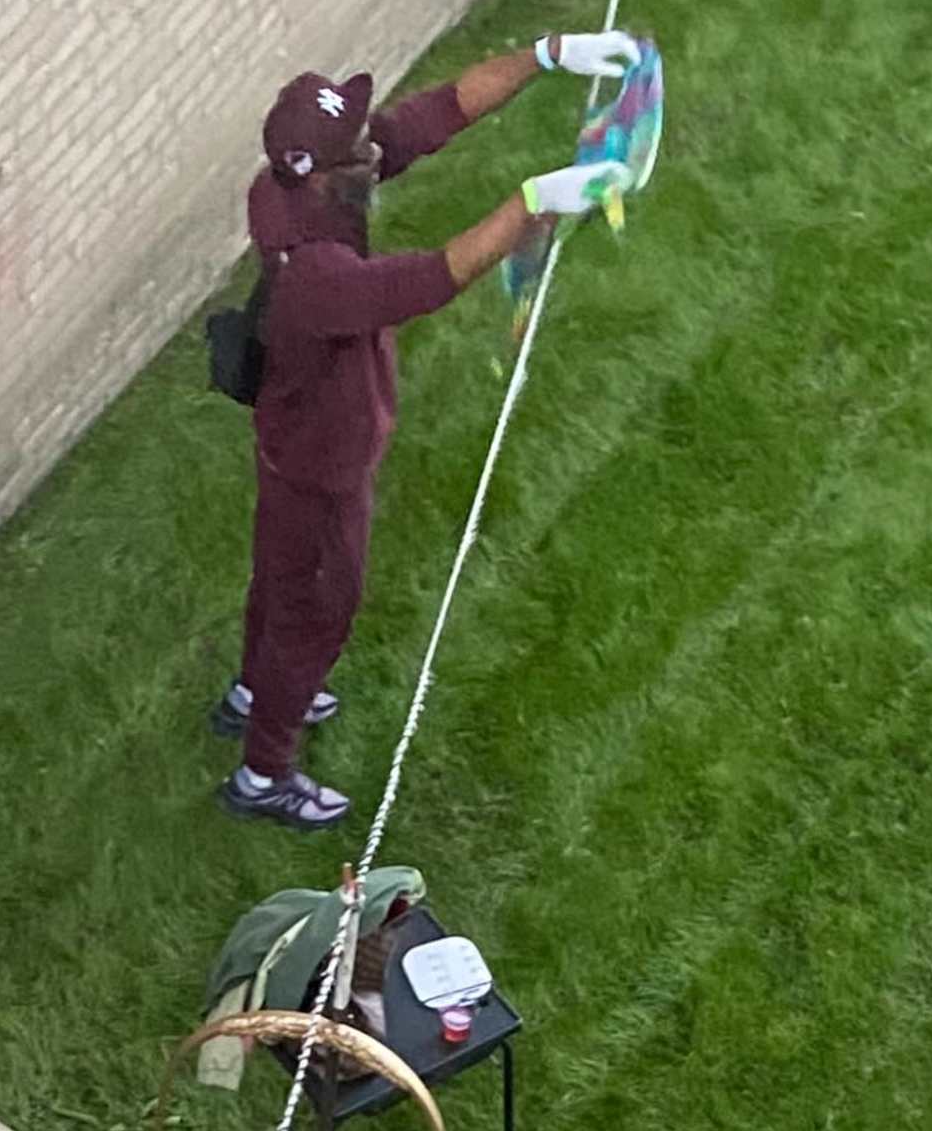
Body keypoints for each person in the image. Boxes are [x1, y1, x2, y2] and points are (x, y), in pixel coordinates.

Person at [223, 40, 640, 828]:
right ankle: (263, 772)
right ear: (322, 172)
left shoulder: (307, 184)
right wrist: (533, 202)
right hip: (323, 462)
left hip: (293, 443)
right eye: (357, 146)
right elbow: (431, 279)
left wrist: (552, 55)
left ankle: (254, 689)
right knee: (316, 609)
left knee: (280, 585)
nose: (374, 147)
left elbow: (435, 114)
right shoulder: (316, 278)